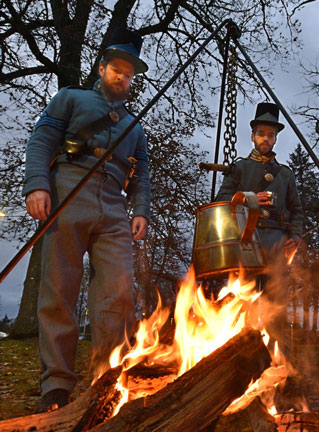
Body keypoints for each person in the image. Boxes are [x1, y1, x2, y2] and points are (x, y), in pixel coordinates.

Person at [23, 28, 151, 413]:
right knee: (60, 286)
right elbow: (42, 140)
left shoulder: (135, 125)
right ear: (102, 67)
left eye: (129, 75)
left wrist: (141, 209)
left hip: (114, 204)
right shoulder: (70, 98)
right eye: (117, 69)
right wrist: (36, 186)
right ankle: (57, 386)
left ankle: (107, 378)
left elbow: (142, 172)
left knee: (119, 291)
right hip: (69, 189)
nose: (123, 78)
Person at [216, 102, 302, 352]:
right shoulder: (240, 167)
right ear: (253, 135)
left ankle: (278, 366)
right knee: (244, 302)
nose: (265, 139)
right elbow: (221, 201)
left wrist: (294, 237)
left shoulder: (285, 174)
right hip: (246, 239)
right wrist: (248, 196)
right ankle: (241, 360)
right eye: (261, 134)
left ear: (276, 138)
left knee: (276, 306)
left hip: (277, 242)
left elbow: (297, 210)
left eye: (271, 135)